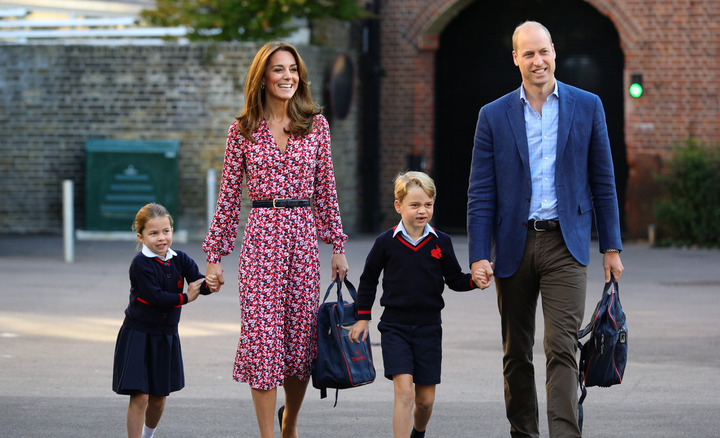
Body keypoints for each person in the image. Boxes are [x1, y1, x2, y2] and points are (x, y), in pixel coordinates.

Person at [467, 21, 625, 438]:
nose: (538, 61)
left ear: (554, 52)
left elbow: (603, 181)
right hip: (513, 245)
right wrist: (479, 254)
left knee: (562, 349)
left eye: (544, 52)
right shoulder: (493, 115)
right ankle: (524, 432)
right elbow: (480, 193)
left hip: (565, 244)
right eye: (529, 54)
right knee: (516, 352)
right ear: (516, 58)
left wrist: (612, 247)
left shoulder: (587, 105)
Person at [202, 41, 349, 438]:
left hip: (302, 239)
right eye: (278, 70)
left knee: (300, 343)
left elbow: (326, 189)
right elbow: (230, 196)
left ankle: (291, 424)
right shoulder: (243, 129)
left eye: (293, 69)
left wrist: (337, 245)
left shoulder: (316, 125)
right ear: (262, 78)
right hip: (262, 236)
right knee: (264, 341)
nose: (288, 76)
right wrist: (214, 255)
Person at [350, 171, 489, 438]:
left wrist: (475, 281)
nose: (422, 210)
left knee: (425, 401)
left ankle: (418, 433)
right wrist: (363, 317)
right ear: (398, 206)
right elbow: (368, 280)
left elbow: (455, 279)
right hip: (394, 328)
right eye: (414, 205)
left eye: (428, 204)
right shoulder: (385, 243)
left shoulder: (442, 242)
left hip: (428, 329)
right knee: (404, 393)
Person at [112, 203, 214, 438]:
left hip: (166, 336)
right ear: (141, 236)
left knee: (158, 400)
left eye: (166, 231)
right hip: (138, 334)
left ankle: (149, 435)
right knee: (141, 396)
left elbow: (199, 282)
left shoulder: (181, 259)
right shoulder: (140, 263)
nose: (161, 238)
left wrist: (211, 283)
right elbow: (156, 297)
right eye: (154, 233)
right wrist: (186, 297)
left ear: (171, 230)